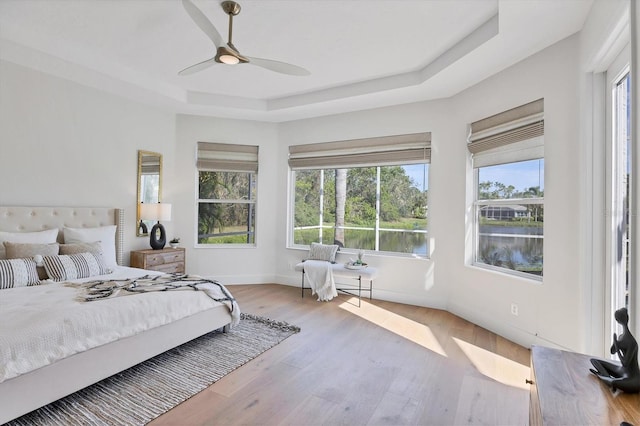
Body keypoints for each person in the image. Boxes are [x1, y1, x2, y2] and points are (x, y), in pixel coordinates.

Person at [590, 307, 640, 393]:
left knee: (614, 382)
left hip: (634, 378)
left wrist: (617, 345)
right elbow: (612, 351)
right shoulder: (621, 337)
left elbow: (625, 363)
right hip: (622, 371)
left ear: (618, 320)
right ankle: (606, 376)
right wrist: (615, 342)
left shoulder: (632, 342)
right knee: (594, 361)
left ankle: (603, 377)